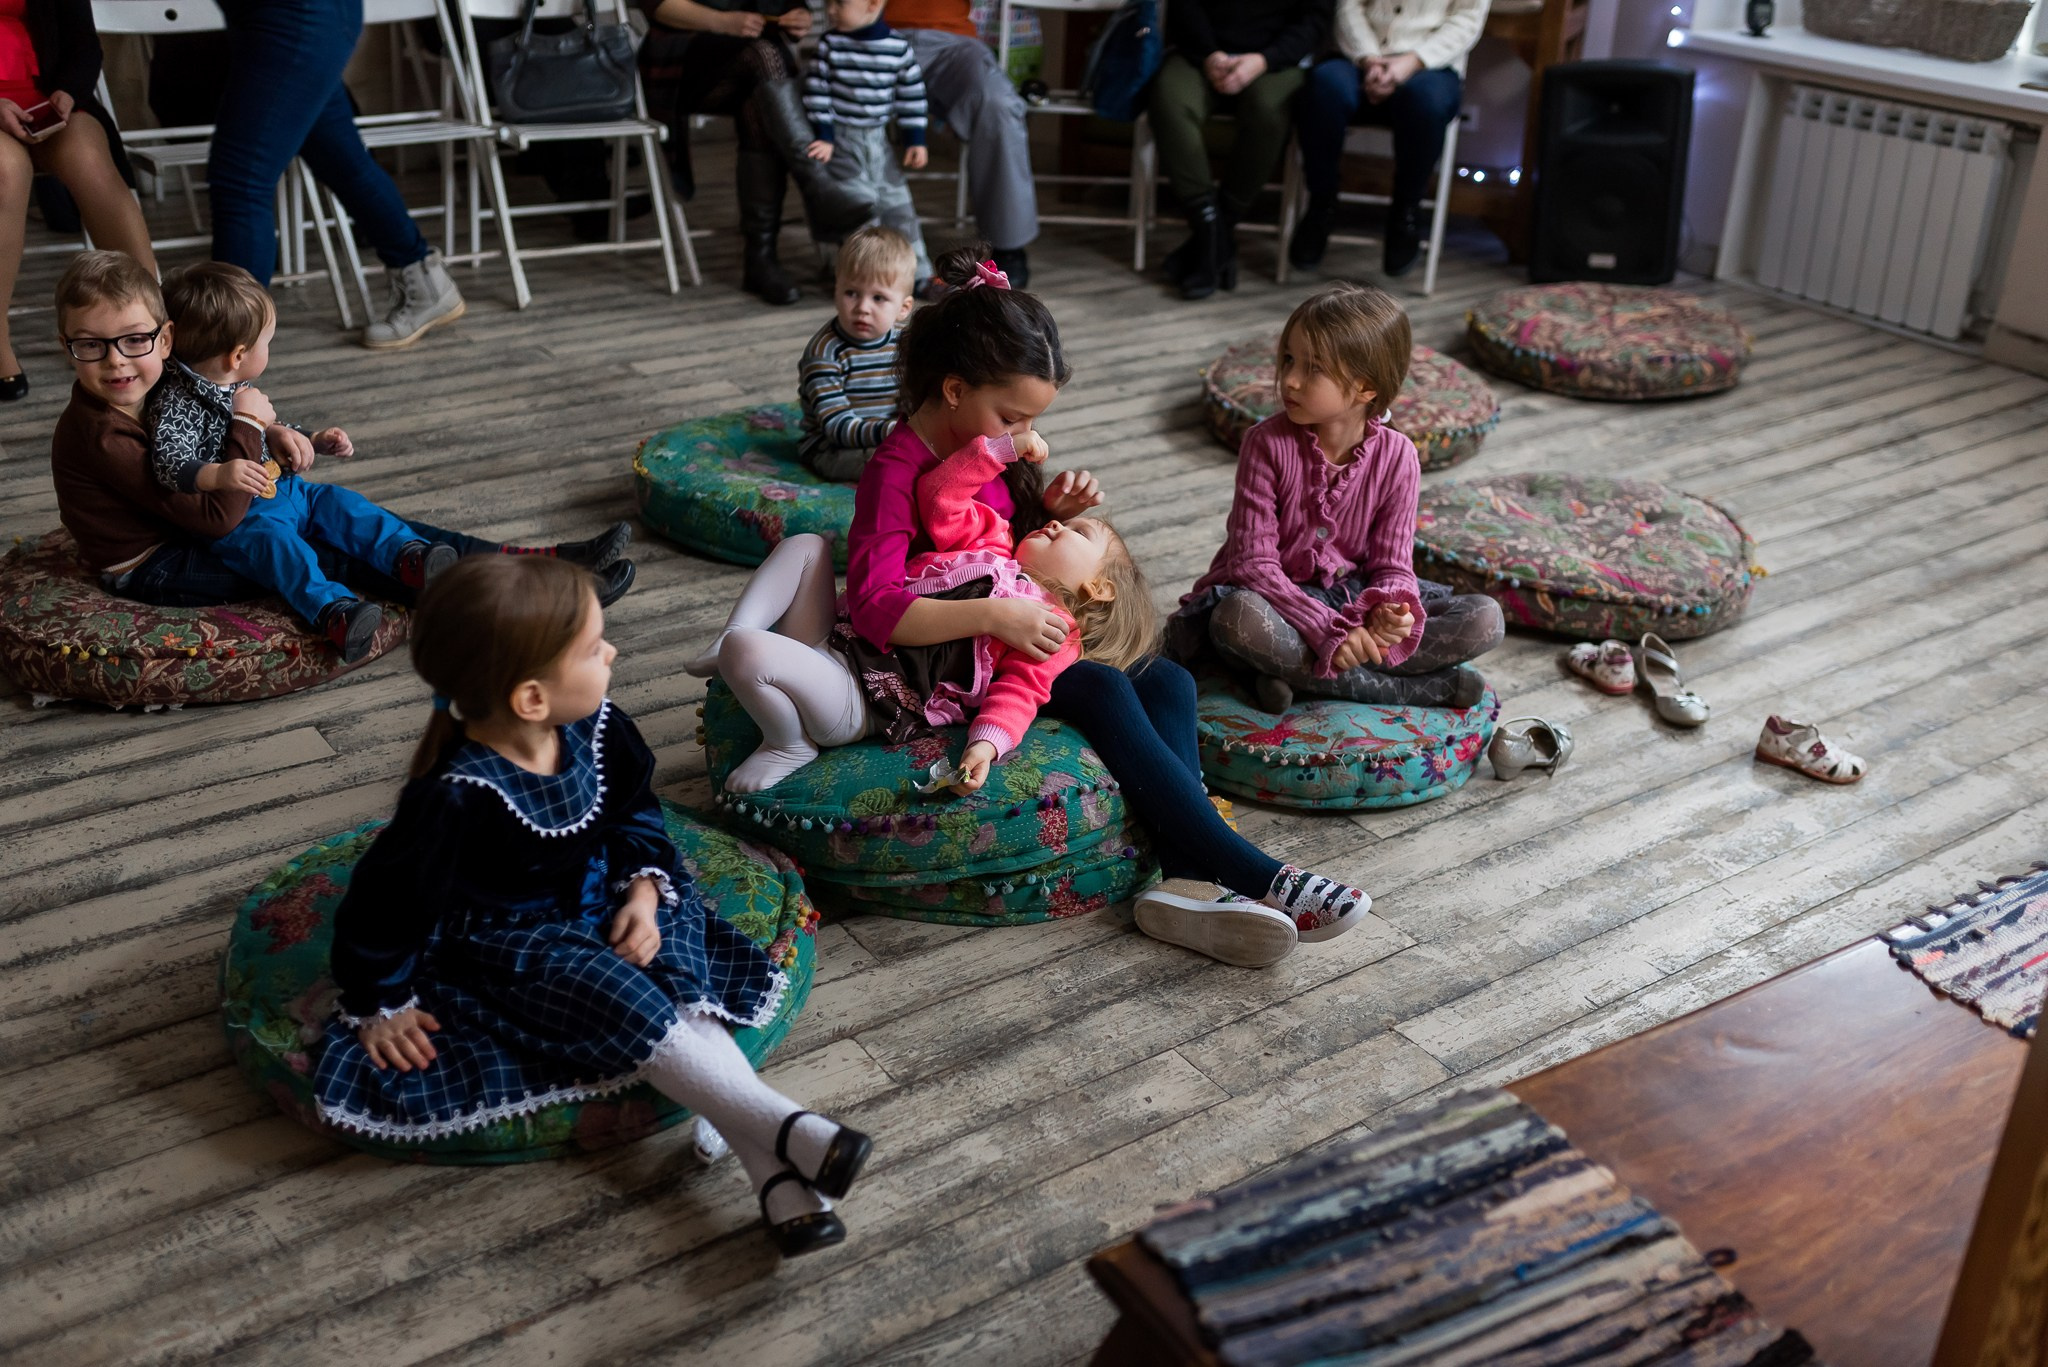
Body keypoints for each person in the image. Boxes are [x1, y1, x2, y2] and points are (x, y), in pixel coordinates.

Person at [315, 555, 871, 1258]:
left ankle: (770, 1161)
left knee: (673, 948)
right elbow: (383, 904)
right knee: (618, 998)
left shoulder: (598, 725)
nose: (612, 652)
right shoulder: (453, 798)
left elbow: (635, 815)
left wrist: (642, 891)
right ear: (530, 700)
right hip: (515, 938)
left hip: (607, 890)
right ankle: (784, 1126)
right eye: (592, 647)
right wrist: (381, 998)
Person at [842, 247, 1372, 969]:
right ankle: (1253, 873)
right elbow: (876, 606)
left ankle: (1185, 880)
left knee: (1169, 679)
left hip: (1008, 623)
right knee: (1100, 683)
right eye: (1012, 414)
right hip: (943, 660)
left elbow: (998, 547)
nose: (1025, 433)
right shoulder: (895, 470)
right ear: (956, 388)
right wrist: (995, 619)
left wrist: (1049, 507)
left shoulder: (990, 445)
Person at [48, 252, 635, 641]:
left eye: (133, 341)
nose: (117, 361)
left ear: (165, 339)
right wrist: (251, 430)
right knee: (340, 557)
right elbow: (219, 515)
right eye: (91, 347)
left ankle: (551, 566)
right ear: (66, 346)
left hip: (207, 520)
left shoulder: (166, 382)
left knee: (376, 527)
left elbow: (219, 432)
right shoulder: (105, 432)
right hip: (161, 562)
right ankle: (534, 609)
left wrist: (278, 433)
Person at [687, 423, 1151, 793]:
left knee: (749, 652)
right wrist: (999, 450)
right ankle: (731, 633)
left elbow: (1019, 697)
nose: (1055, 522)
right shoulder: (994, 542)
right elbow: (939, 496)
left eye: (1078, 532)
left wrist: (983, 749)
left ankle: (787, 743)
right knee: (806, 546)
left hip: (858, 697)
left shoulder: (1052, 630)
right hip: (836, 638)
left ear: (1099, 588)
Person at [1171, 283, 1502, 710]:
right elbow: (1252, 566)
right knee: (1236, 620)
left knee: (1485, 619)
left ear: (1366, 388)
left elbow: (1392, 565)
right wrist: (1328, 628)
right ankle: (1415, 690)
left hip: (1352, 595)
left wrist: (1389, 611)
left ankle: (1287, 674)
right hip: (1274, 597)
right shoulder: (1265, 443)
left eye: (1313, 369)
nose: (1289, 379)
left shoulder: (1399, 457)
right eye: (1289, 359)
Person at [207, 0, 462, 350]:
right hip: (300, 17)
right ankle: (426, 282)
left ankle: (223, 357)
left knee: (241, 183)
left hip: (292, 17)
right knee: (342, 161)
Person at [637, 0, 877, 306]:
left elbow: (790, 6)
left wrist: (800, 18)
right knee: (764, 57)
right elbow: (655, 4)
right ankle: (818, 187)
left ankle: (761, 259)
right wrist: (720, 21)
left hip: (755, 67)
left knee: (760, 98)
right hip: (682, 57)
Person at [0, 0, 155, 401]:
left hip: (47, 102)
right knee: (5, 170)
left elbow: (83, 43)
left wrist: (68, 92)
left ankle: (149, 321)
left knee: (88, 159)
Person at [1147, 0, 1331, 300]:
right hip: (1201, 54)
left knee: (1269, 113)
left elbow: (1313, 21)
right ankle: (1213, 236)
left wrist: (1263, 60)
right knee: (1169, 101)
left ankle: (1214, 238)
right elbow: (1185, 8)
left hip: (1276, 61)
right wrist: (1210, 55)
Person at [1289, 0, 1486, 277]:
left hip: (1429, 65)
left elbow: (1467, 19)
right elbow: (1348, 7)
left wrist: (1413, 61)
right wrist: (1369, 58)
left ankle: (1406, 212)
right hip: (1356, 57)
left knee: (1426, 103)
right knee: (1323, 88)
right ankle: (1321, 204)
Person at [883, 0, 1035, 287]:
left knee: (997, 103)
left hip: (953, 43)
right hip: (876, 33)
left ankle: (1007, 244)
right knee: (836, 100)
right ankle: (847, 235)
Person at [803, 0, 933, 287]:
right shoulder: (830, 44)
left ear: (873, 4)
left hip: (879, 143)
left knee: (899, 207)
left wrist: (915, 140)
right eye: (828, 3)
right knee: (862, 209)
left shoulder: (897, 47)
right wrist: (824, 135)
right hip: (842, 142)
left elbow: (911, 95)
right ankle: (866, 279)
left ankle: (918, 275)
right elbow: (816, 92)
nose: (831, 10)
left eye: (840, 3)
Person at [798, 225, 915, 482]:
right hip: (831, 448)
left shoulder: (906, 343)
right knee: (891, 468)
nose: (862, 308)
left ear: (903, 308)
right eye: (851, 293)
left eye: (878, 298)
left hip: (890, 436)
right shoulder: (824, 353)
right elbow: (836, 427)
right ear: (836, 292)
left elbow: (914, 393)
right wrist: (895, 431)